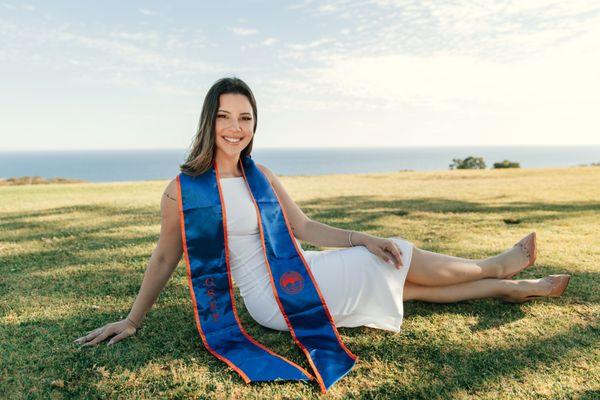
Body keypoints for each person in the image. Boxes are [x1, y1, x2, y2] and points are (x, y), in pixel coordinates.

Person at [74, 77, 570, 347]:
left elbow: (304, 227)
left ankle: (510, 287)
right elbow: (166, 257)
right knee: (395, 258)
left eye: (244, 117)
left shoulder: (259, 174)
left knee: (405, 282)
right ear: (209, 121)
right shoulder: (183, 191)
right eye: (224, 115)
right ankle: (497, 267)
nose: (235, 126)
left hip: (300, 270)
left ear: (253, 125)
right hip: (274, 301)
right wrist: (134, 320)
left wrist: (359, 237)